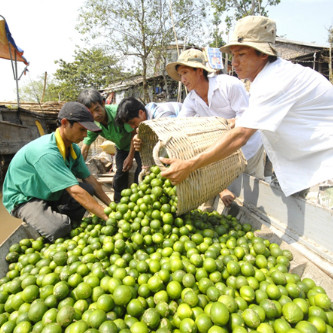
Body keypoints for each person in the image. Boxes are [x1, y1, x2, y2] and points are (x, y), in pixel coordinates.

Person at [160, 16, 333, 206]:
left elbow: (241, 134)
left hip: (324, 164)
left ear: (263, 54)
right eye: (233, 55)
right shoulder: (263, 80)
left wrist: (190, 165)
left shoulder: (274, 80)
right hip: (301, 162)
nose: (234, 63)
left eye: (241, 54)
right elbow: (181, 124)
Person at [165, 48, 265, 206]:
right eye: (180, 75)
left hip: (249, 147)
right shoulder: (191, 100)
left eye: (185, 73)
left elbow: (249, 117)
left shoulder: (228, 85)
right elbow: (179, 126)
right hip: (225, 150)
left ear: (199, 71)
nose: (182, 79)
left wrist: (232, 122)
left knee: (254, 193)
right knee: (232, 190)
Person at [2, 102, 112, 241]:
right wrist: (107, 217)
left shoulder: (74, 149)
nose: (85, 135)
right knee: (59, 228)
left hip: (47, 190)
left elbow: (90, 179)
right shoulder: (46, 152)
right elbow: (74, 191)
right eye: (82, 130)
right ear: (65, 123)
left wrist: (111, 206)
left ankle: (59, 219)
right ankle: (57, 222)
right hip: (25, 197)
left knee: (88, 189)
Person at [77, 88, 142, 203]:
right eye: (90, 113)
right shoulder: (93, 124)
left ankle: (140, 199)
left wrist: (130, 157)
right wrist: (79, 168)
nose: (96, 115)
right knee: (119, 175)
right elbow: (85, 147)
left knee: (141, 172)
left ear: (103, 103)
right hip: (121, 148)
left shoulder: (119, 113)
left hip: (137, 144)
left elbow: (133, 133)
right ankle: (118, 204)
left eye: (97, 109)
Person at [115, 96, 182, 150]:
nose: (132, 127)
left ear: (141, 113)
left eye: (133, 122)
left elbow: (174, 139)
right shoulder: (146, 117)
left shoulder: (161, 116)